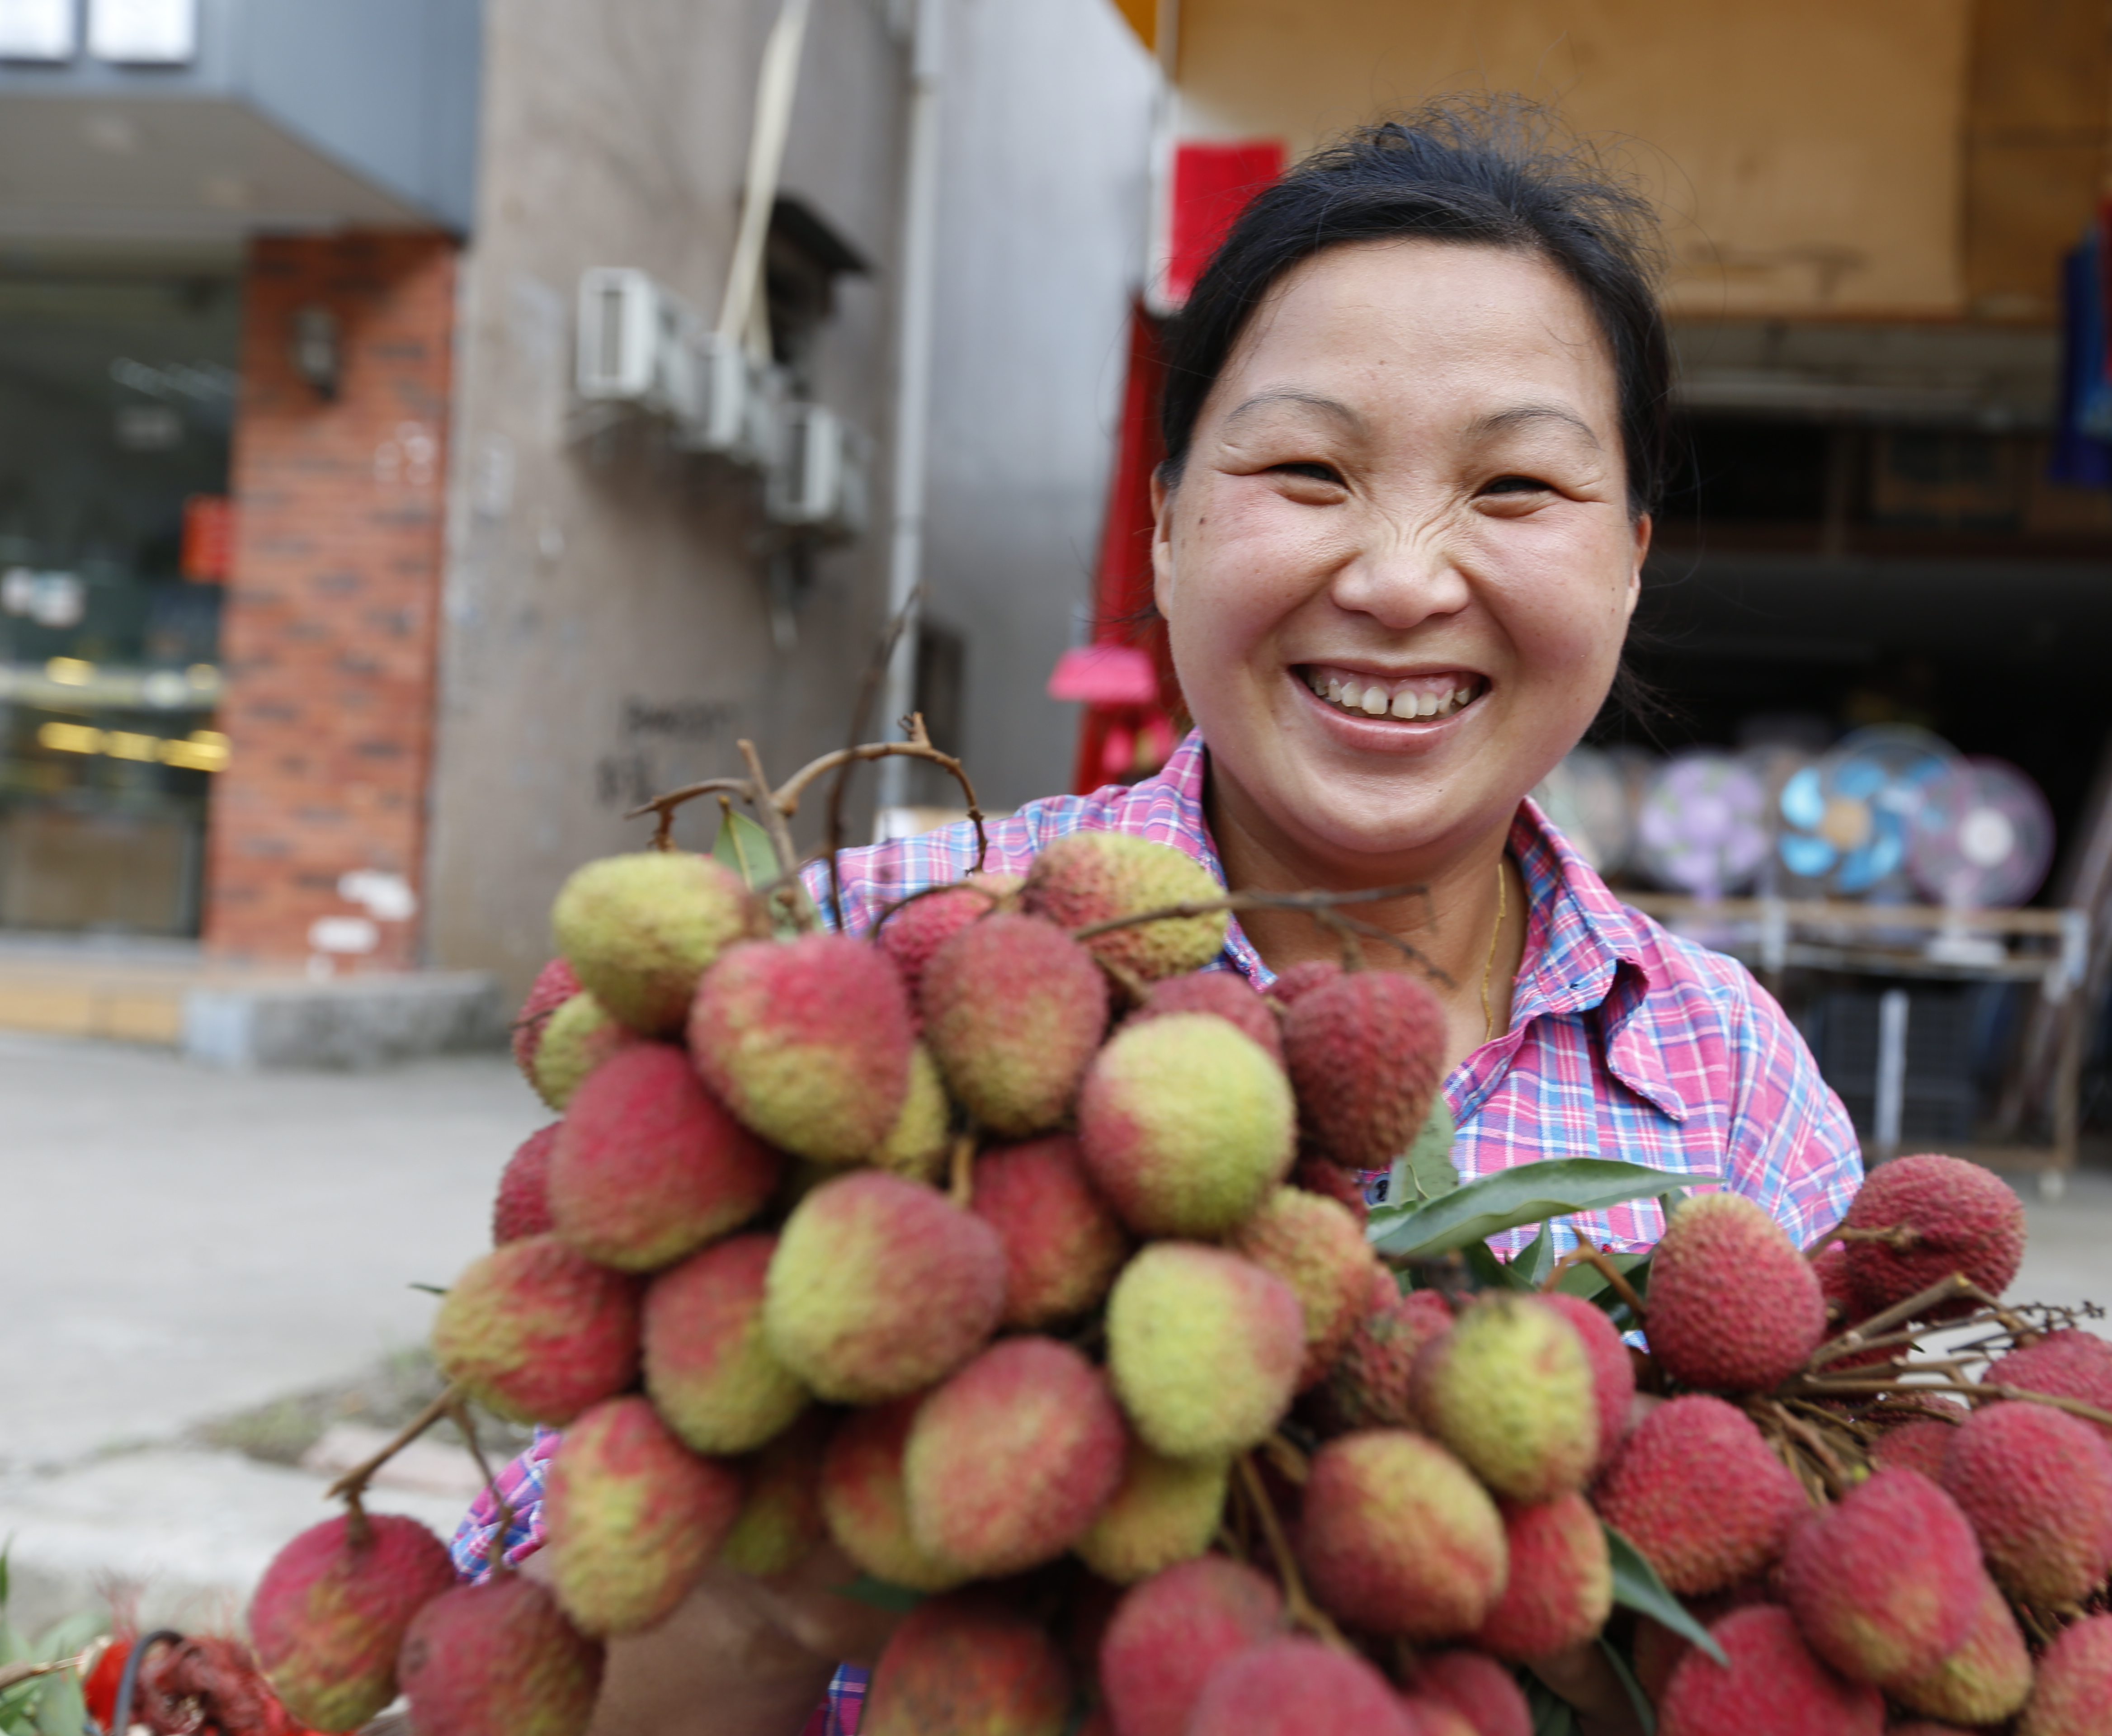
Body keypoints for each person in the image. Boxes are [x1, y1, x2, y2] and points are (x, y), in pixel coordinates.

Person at [454, 99, 1862, 1736]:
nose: (1403, 578)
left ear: (1626, 563)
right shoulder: (873, 952)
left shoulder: (1729, 1078)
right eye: (1307, 471)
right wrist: (777, 1586)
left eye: (1517, 487)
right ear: (1169, 528)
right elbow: (512, 1664)